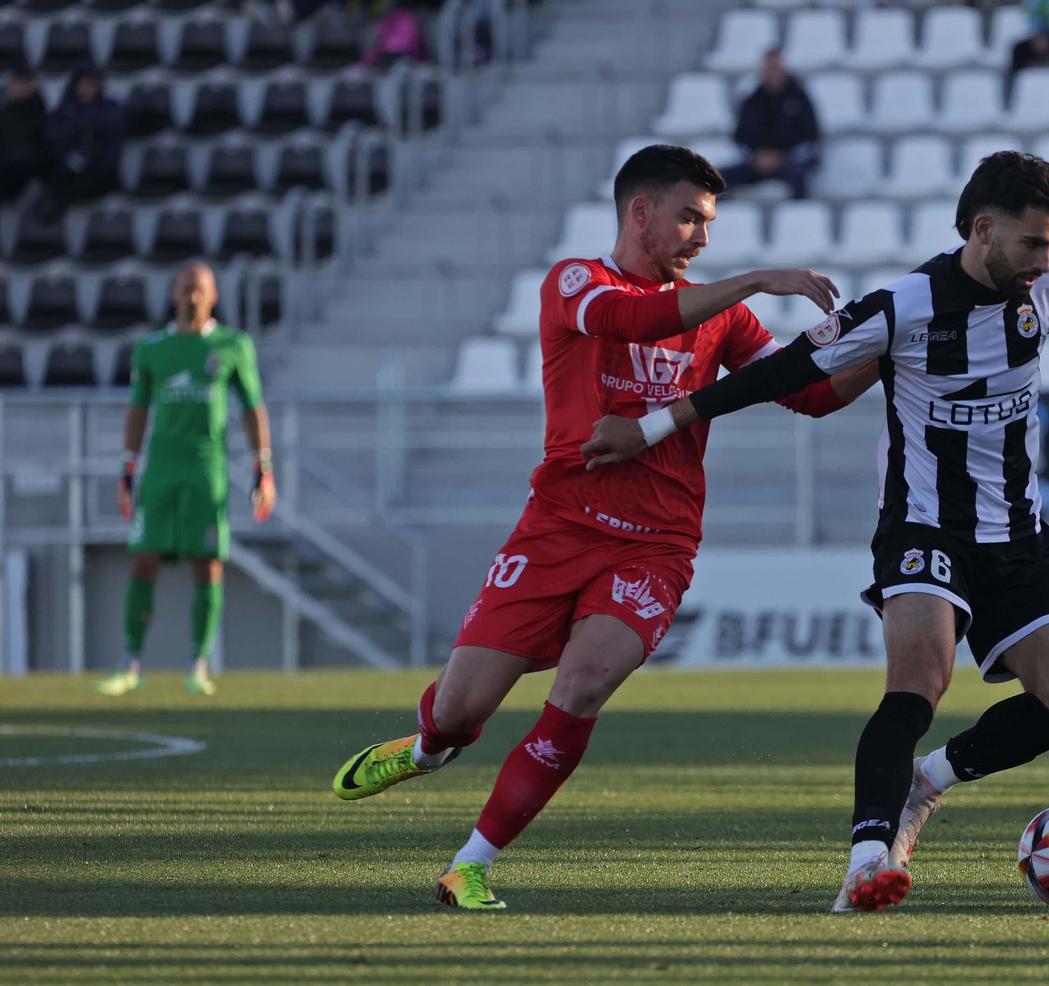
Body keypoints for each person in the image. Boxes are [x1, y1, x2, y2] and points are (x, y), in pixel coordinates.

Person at [581, 152, 1049, 913]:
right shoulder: (906, 303)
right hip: (923, 524)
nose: (1046, 261)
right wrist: (653, 425)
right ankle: (869, 858)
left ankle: (926, 783)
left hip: (1017, 536)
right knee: (919, 683)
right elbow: (783, 374)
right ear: (984, 228)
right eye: (1034, 244)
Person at [327, 145, 879, 911]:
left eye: (710, 223)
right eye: (690, 218)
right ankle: (426, 748)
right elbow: (633, 319)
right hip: (555, 528)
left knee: (582, 686)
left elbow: (811, 397)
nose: (701, 238)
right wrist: (757, 278)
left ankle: (471, 864)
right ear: (639, 211)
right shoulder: (576, 282)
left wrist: (889, 348)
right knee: (460, 713)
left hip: (656, 546)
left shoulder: (723, 319)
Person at [96, 264, 276, 697]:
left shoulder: (233, 345)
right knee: (143, 557)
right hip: (161, 467)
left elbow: (253, 408)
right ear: (173, 295)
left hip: (206, 468)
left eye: (201, 291)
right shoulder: (151, 348)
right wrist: (127, 466)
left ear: (213, 296)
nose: (193, 298)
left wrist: (263, 468)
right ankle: (129, 665)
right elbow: (138, 410)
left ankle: (198, 665)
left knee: (207, 562)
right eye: (186, 290)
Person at [719, 50, 819, 200]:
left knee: (799, 179)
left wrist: (783, 158)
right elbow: (740, 137)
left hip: (790, 163)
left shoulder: (800, 99)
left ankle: (798, 220)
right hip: (757, 163)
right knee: (717, 181)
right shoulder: (752, 101)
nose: (772, 73)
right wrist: (756, 157)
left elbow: (811, 137)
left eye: (776, 68)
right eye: (768, 68)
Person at [40, 63, 124, 221]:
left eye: (92, 84)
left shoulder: (110, 109)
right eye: (84, 83)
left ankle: (52, 207)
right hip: (67, 169)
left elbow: (111, 144)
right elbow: (52, 138)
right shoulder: (64, 109)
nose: (88, 88)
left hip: (99, 172)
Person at [1, 67, 47, 203]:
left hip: (25, 172)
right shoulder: (4, 113)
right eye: (17, 82)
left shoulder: (38, 112)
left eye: (24, 83)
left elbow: (41, 147)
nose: (20, 87)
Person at [360, 1, 429, 68]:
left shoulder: (406, 18)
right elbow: (376, 48)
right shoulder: (383, 21)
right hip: (386, 60)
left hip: (406, 60)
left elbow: (406, 46)